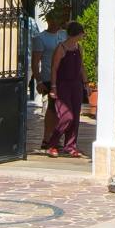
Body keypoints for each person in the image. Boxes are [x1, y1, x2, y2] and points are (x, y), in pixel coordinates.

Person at [48, 21, 88, 158]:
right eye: (81, 33)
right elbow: (54, 69)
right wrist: (53, 87)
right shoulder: (61, 48)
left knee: (75, 117)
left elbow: (81, 67)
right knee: (67, 116)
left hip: (76, 86)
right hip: (63, 86)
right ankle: (52, 144)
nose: (82, 36)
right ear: (76, 34)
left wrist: (86, 83)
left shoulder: (79, 48)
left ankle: (70, 146)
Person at [32, 8, 67, 152]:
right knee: (52, 109)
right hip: (48, 77)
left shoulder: (64, 35)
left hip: (64, 78)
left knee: (61, 110)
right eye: (55, 19)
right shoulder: (41, 38)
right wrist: (39, 81)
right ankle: (47, 139)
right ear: (49, 21)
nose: (57, 22)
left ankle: (56, 139)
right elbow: (35, 62)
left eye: (59, 19)